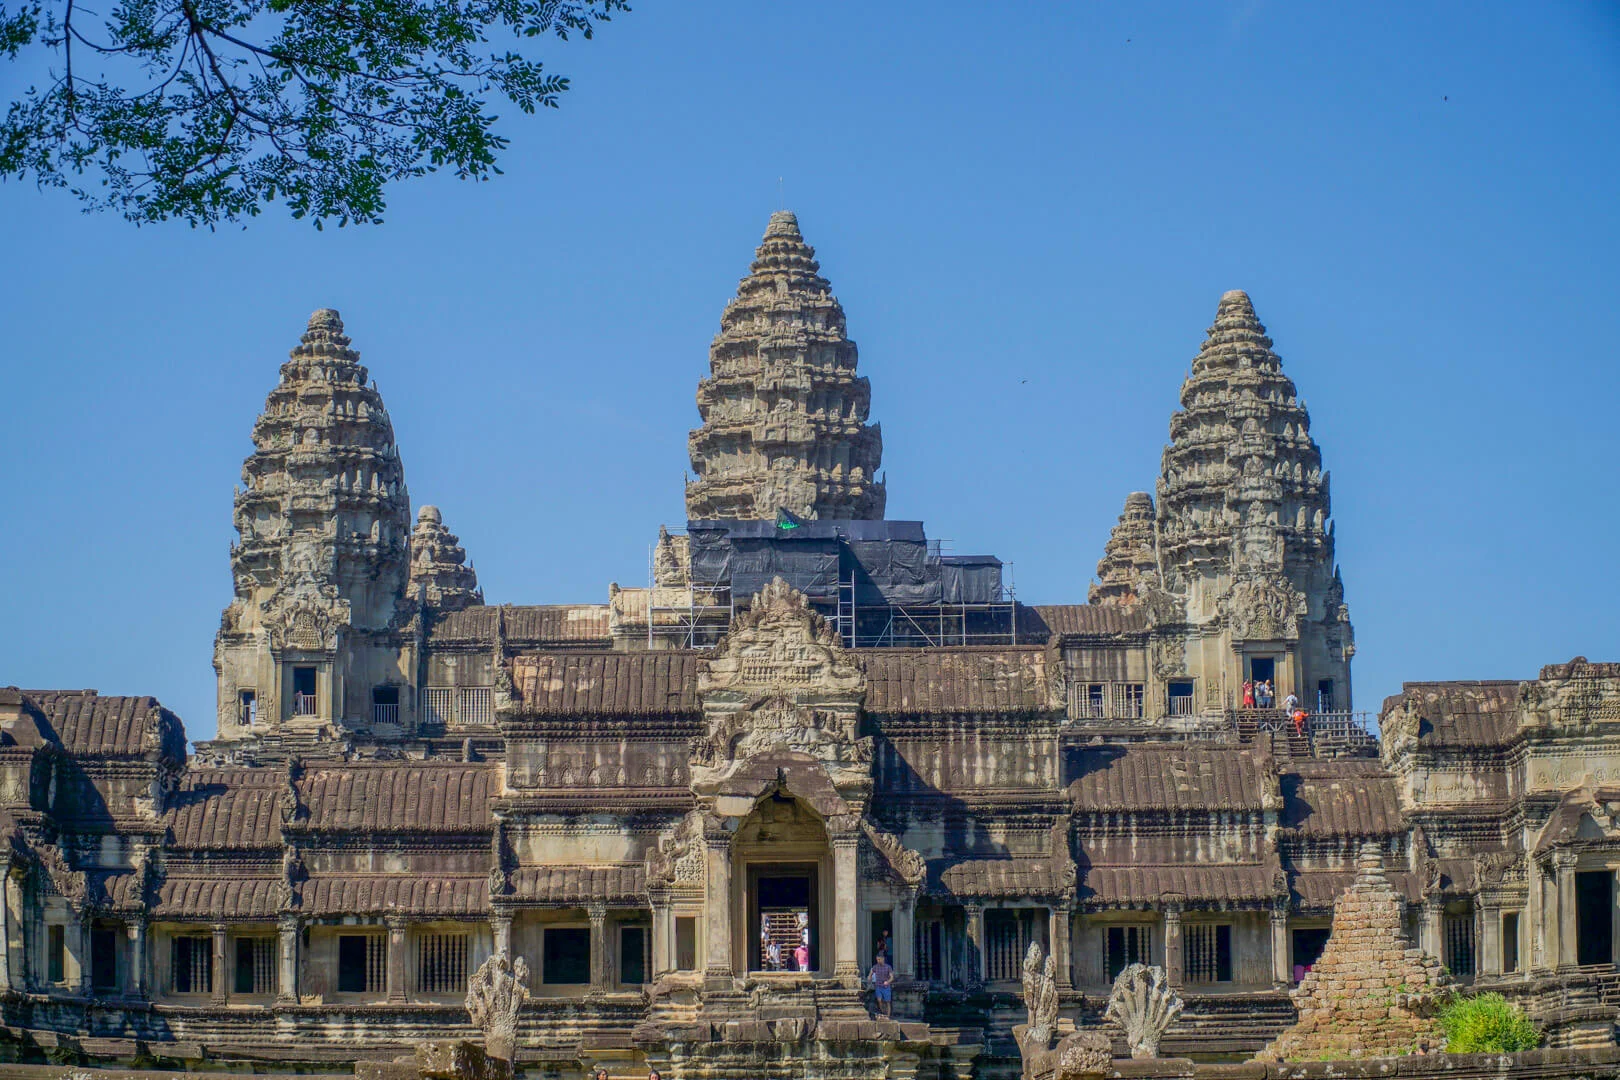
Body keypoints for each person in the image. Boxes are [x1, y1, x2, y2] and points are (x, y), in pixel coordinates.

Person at [868, 950, 894, 1017]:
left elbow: (892, 977)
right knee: (879, 1000)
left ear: (883, 959)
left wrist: (887, 982)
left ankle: (888, 1015)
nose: (878, 961)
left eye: (879, 959)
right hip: (878, 986)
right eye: (877, 959)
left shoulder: (888, 967)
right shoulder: (875, 967)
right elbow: (870, 974)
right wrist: (869, 977)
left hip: (886, 986)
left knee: (887, 1001)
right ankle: (883, 1012)